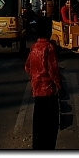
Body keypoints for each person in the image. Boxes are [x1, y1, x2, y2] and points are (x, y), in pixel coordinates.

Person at [25, 16, 62, 150]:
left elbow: (27, 67)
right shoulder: (49, 47)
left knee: (38, 126)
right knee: (50, 127)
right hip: (49, 91)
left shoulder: (34, 47)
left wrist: (36, 75)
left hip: (37, 90)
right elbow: (53, 70)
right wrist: (59, 86)